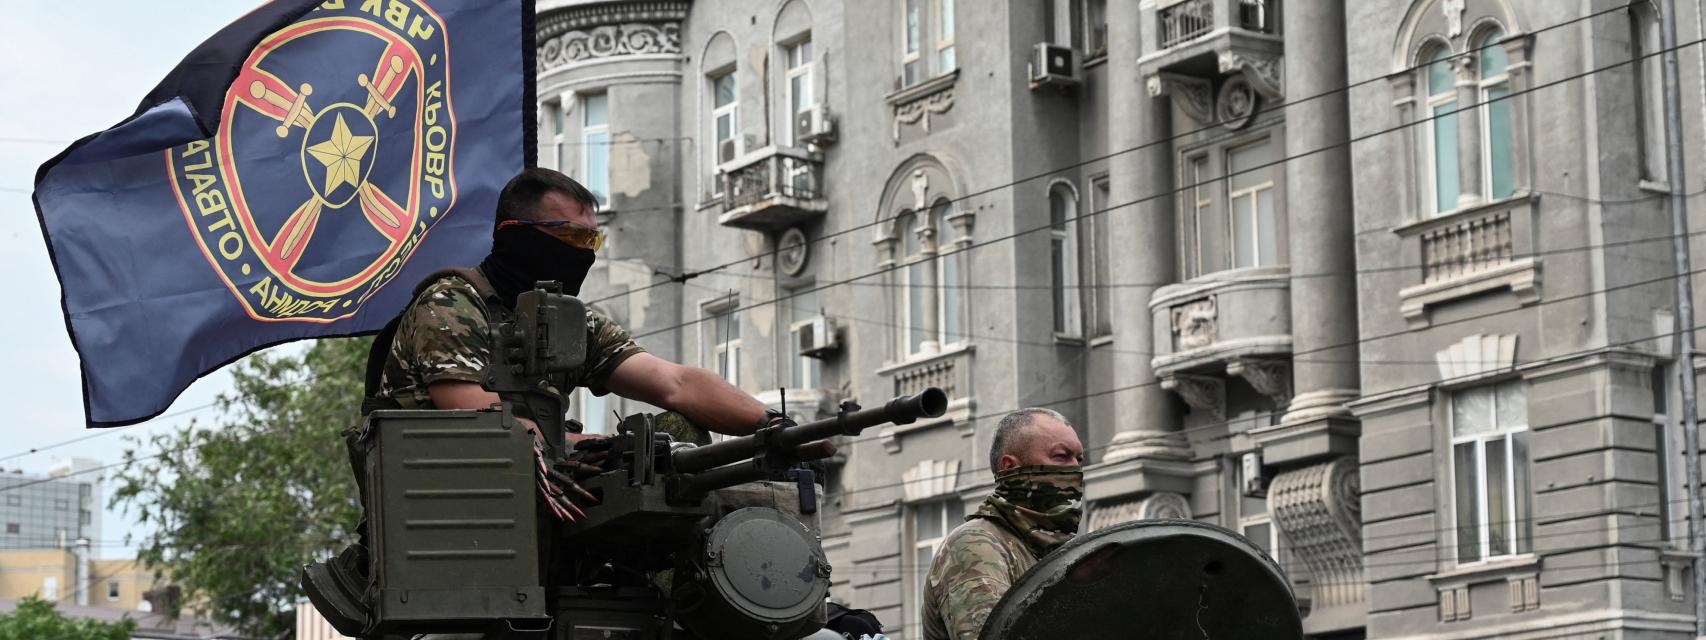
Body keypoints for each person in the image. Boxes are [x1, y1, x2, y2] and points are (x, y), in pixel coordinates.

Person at [305, 168, 823, 636]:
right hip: (466, 513)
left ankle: (682, 593)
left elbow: (674, 383)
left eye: (591, 237)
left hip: (552, 505)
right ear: (515, 235)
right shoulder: (450, 305)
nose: (584, 251)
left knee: (674, 440)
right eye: (570, 236)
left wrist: (774, 425)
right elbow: (469, 407)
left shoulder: (572, 322)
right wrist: (582, 443)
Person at [920, 408, 1085, 640]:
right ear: (1011, 467)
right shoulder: (975, 545)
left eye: (1079, 459)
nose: (1074, 469)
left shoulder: (1055, 552)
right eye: (1061, 456)